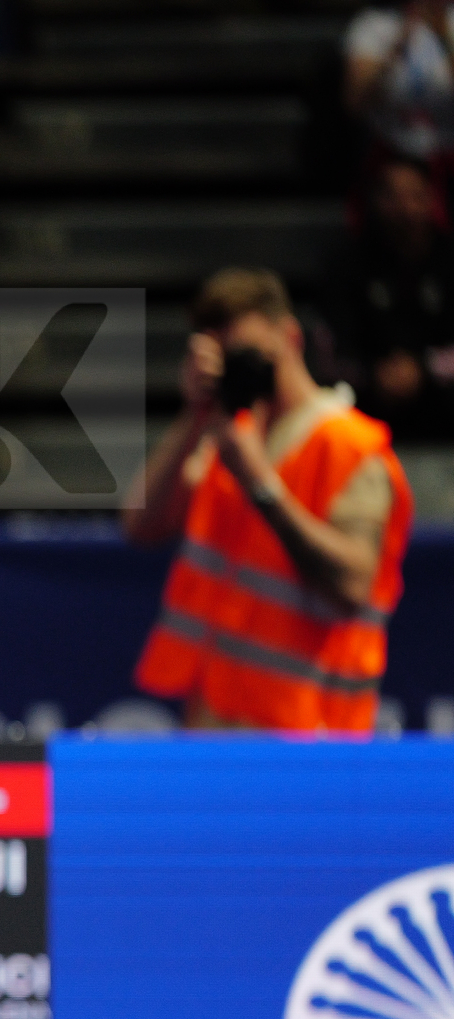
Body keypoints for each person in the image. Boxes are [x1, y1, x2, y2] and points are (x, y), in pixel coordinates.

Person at [125, 268, 414, 733]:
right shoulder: (225, 434)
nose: (241, 369)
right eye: (225, 358)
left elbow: (353, 586)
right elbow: (141, 527)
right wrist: (193, 415)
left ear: (291, 336)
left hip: (309, 735)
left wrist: (260, 482)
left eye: (248, 353)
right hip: (215, 726)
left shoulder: (349, 447)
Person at [325, 156, 454, 441]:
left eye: (414, 196)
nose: (404, 208)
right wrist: (376, 373)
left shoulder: (449, 259)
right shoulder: (348, 263)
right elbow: (334, 347)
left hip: (441, 400)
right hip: (368, 399)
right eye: (392, 196)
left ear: (432, 199)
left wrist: (421, 369)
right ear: (374, 200)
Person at [345, 0, 454, 172]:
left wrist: (444, 39)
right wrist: (397, 48)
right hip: (390, 153)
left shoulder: (450, 22)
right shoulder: (373, 24)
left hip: (448, 153)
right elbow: (355, 101)